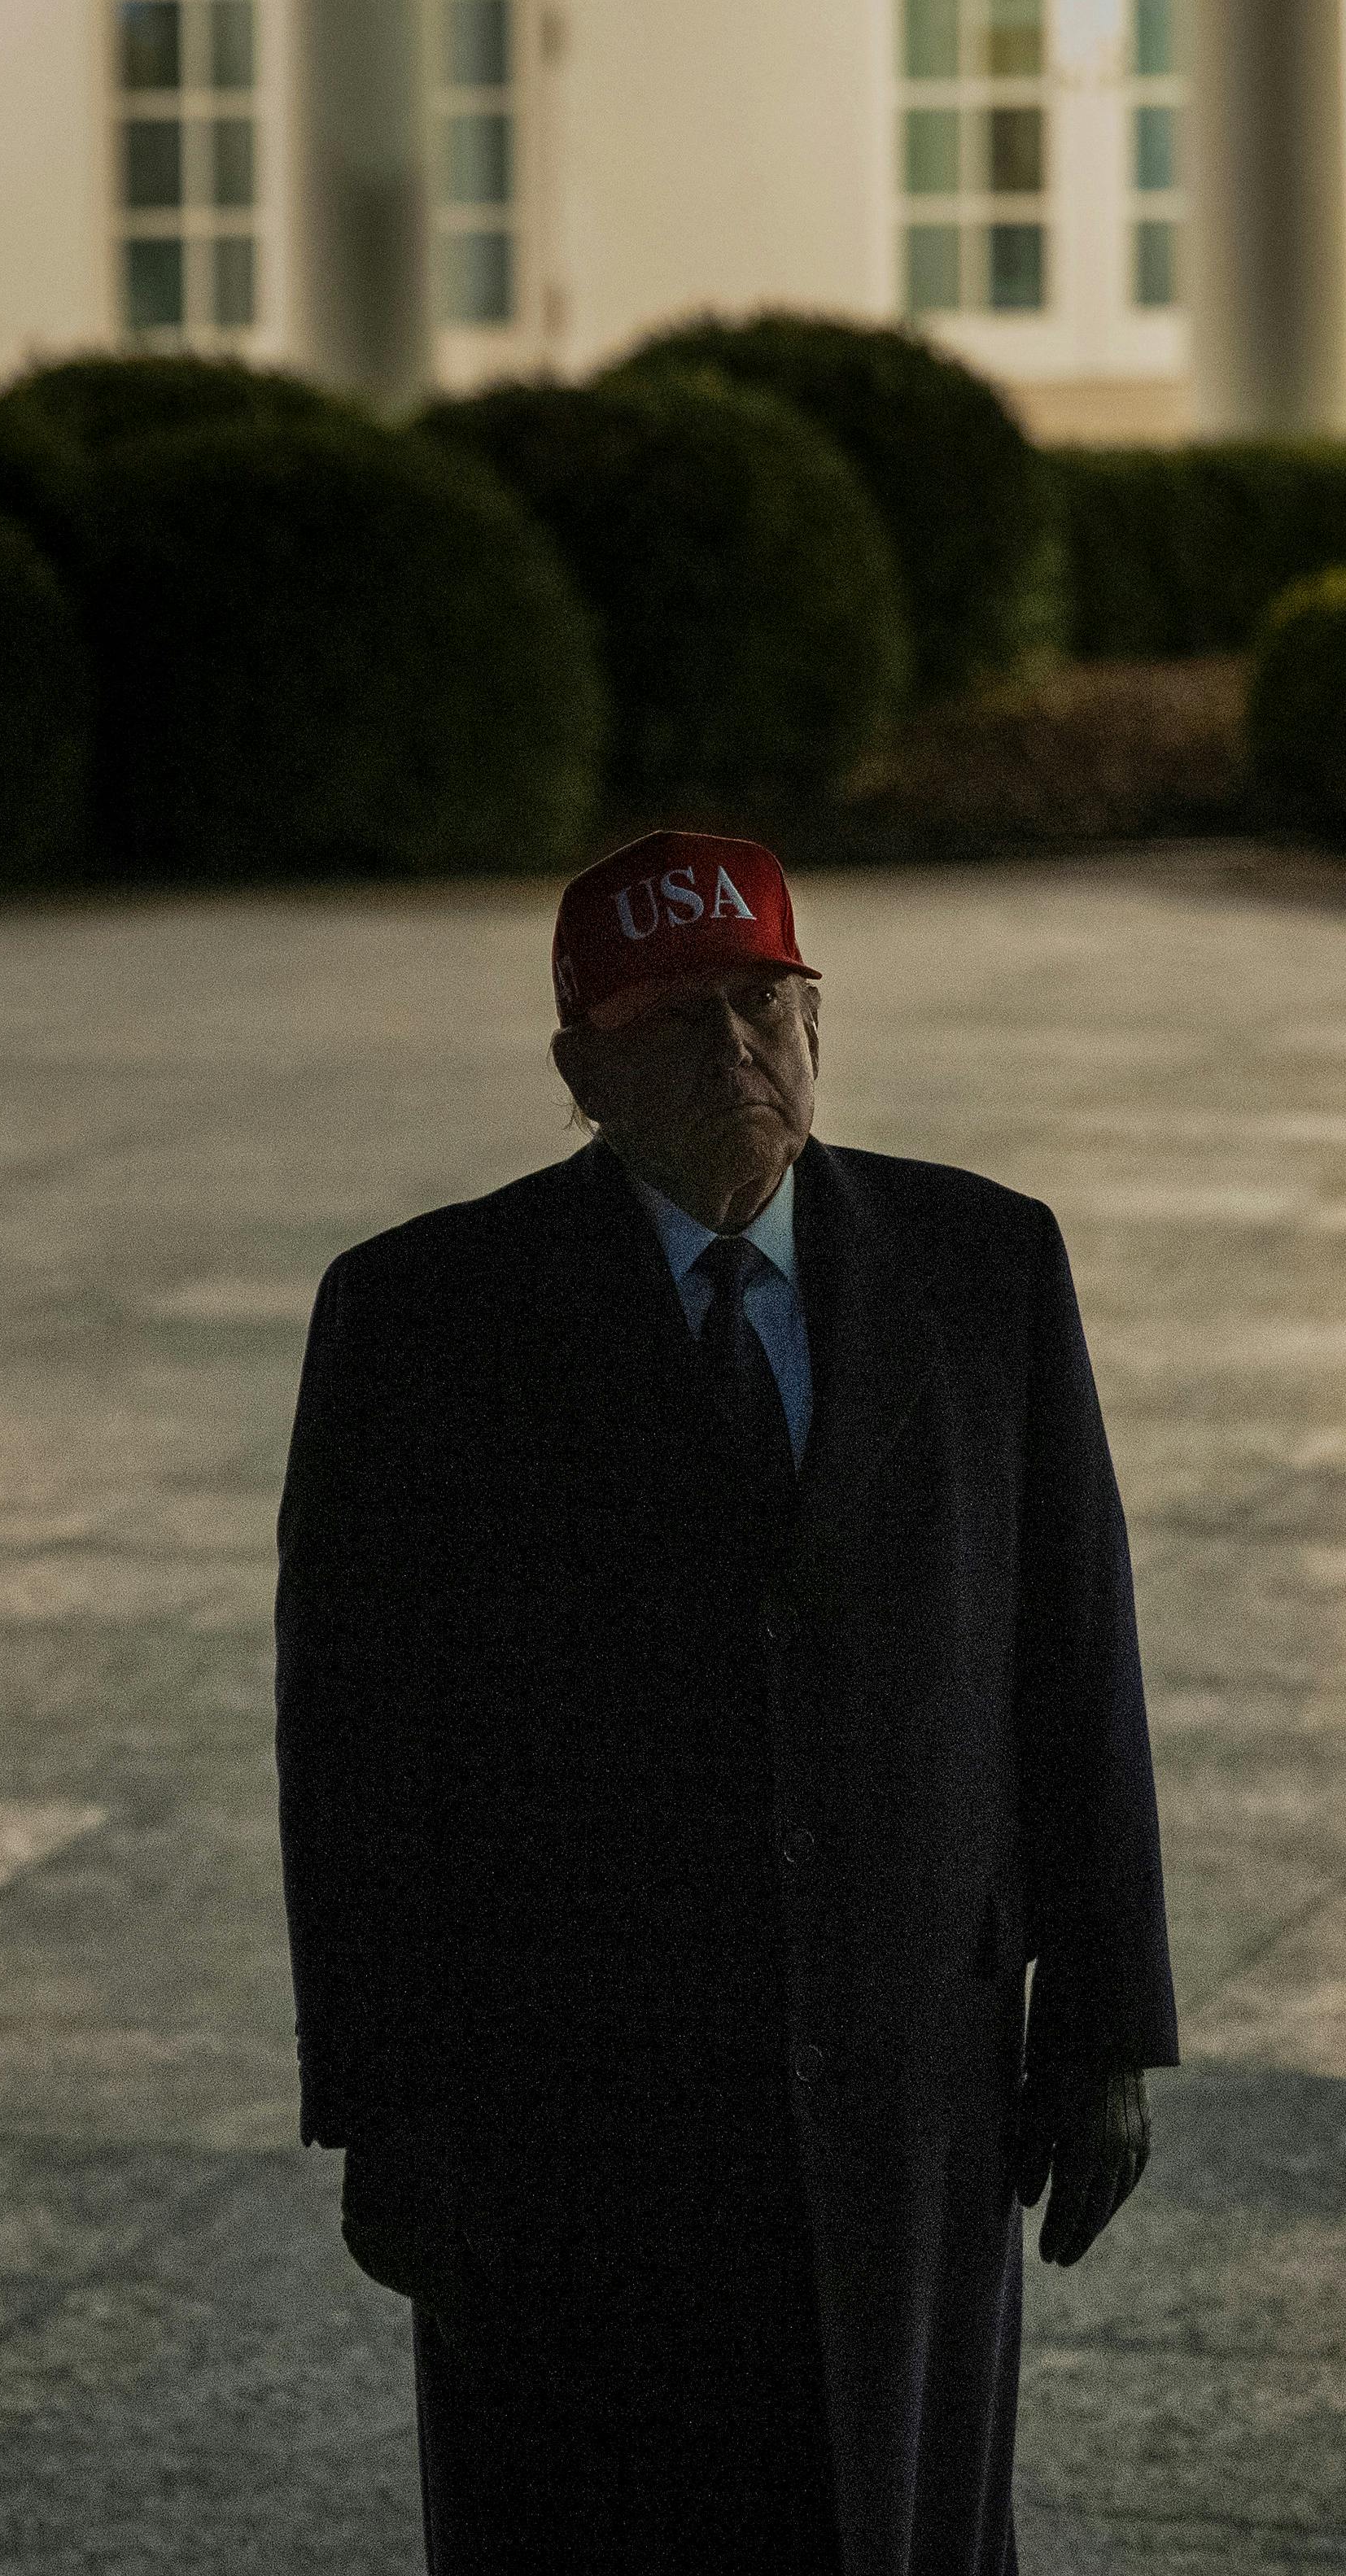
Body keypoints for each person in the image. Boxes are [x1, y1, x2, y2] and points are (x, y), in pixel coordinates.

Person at [274, 827, 1177, 2575]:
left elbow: (1071, 1652)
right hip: (575, 2099)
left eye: (768, 1004)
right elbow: (354, 1749)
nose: (738, 1052)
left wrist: (1107, 2031)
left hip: (908, 2080)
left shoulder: (984, 1268)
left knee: (892, 2512)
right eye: (678, 1021)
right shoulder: (423, 1321)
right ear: (580, 1072)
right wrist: (381, 2104)